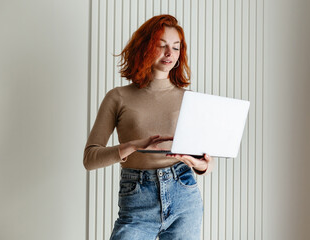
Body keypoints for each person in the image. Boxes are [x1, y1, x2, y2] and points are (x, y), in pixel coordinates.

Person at [83, 14, 215, 240]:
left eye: (176, 47)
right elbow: (90, 159)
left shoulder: (190, 99)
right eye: (161, 46)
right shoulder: (118, 97)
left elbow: (205, 163)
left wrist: (201, 165)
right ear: (144, 48)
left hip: (184, 191)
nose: (169, 54)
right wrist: (134, 145)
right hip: (137, 195)